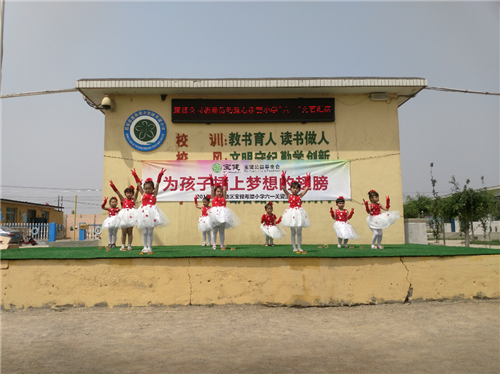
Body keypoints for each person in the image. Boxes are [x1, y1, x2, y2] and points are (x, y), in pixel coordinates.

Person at [132, 168, 169, 254]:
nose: (147, 190)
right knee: (144, 232)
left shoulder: (154, 194)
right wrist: (135, 176)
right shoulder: (143, 194)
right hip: (144, 214)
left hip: (152, 214)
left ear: (153, 189)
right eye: (146, 188)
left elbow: (158, 184)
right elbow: (138, 185)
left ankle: (150, 247)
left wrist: (160, 176)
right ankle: (144, 247)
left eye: (149, 188)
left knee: (150, 232)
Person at [207, 174, 241, 250]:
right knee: (214, 231)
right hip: (214, 216)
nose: (219, 193)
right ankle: (214, 245)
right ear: (215, 192)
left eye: (220, 191)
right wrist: (211, 181)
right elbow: (212, 189)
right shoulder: (213, 198)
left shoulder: (223, 198)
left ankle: (222, 245)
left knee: (222, 231)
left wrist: (224, 181)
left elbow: (225, 189)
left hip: (223, 215)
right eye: (218, 191)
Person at [280, 171, 311, 253]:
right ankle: (294, 247)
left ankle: (299, 247)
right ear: (290, 189)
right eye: (293, 188)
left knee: (299, 231)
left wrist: (308, 178)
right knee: (293, 231)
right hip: (291, 214)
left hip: (299, 214)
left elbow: (307, 188)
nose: (295, 190)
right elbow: (283, 187)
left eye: (297, 188)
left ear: (299, 189)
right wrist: (283, 177)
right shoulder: (289, 195)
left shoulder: (300, 196)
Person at [110, 180, 139, 251]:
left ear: (132, 194)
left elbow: (137, 192)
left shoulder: (133, 200)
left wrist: (138, 185)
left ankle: (129, 245)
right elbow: (118, 193)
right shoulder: (123, 200)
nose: (129, 194)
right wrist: (113, 186)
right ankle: (123, 245)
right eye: (127, 193)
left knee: (130, 232)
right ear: (125, 194)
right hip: (124, 217)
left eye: (130, 193)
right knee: (123, 232)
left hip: (131, 217)